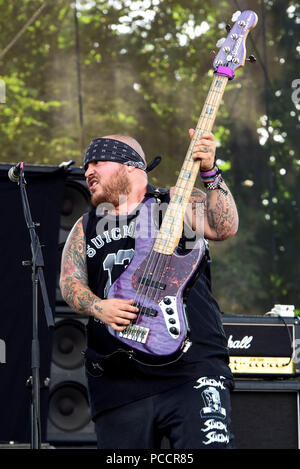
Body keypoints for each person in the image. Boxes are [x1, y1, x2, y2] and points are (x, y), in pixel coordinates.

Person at [59, 129, 239, 449]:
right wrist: (98, 306)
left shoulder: (176, 201)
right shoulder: (84, 226)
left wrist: (210, 171)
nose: (88, 172)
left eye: (97, 162)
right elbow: (70, 283)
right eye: (87, 166)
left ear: (129, 166)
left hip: (190, 369)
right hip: (119, 381)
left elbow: (222, 227)